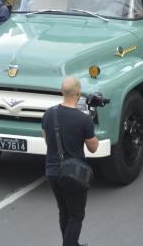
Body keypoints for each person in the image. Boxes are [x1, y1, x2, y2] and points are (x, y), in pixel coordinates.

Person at [42, 77, 98, 246]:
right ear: (78, 93)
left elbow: (47, 140)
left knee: (64, 212)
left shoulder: (49, 114)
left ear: (62, 92)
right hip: (73, 174)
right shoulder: (83, 119)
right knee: (76, 216)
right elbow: (93, 147)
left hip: (52, 171)